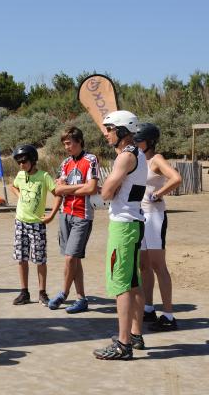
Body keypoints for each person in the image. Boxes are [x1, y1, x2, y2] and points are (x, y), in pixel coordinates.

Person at [93, 110, 147, 360]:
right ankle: (135, 334)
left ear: (123, 130)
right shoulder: (139, 154)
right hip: (134, 223)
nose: (106, 134)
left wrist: (109, 190)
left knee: (121, 284)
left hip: (123, 226)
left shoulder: (125, 158)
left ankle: (123, 344)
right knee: (133, 282)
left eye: (110, 129)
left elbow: (105, 194)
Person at [134, 123, 182, 331]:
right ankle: (148, 308)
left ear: (150, 141)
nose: (136, 143)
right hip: (140, 216)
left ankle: (169, 316)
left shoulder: (156, 159)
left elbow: (176, 178)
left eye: (139, 140)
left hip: (154, 216)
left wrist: (158, 194)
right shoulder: (137, 160)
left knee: (158, 265)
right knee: (143, 265)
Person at [48, 127, 99, 314]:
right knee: (74, 259)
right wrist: (77, 187)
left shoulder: (91, 159)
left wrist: (68, 188)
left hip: (82, 215)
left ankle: (63, 292)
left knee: (70, 258)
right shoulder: (65, 163)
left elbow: (92, 189)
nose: (66, 147)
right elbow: (57, 190)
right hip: (64, 214)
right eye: (64, 144)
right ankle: (81, 298)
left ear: (79, 141)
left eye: (69, 143)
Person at [9, 144, 61, 306]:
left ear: (32, 160)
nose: (21, 165)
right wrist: (20, 196)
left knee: (40, 260)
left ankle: (42, 293)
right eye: (18, 162)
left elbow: (58, 194)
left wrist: (51, 215)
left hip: (37, 224)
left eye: (24, 161)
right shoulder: (20, 175)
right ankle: (24, 292)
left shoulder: (44, 176)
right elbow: (13, 186)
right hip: (20, 222)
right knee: (21, 258)